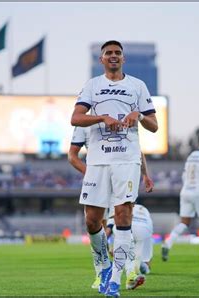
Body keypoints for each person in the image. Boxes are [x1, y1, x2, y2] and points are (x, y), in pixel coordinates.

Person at [70, 40, 158, 297]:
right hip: (98, 162)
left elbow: (154, 125)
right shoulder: (92, 86)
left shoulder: (137, 86)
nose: (113, 56)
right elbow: (75, 118)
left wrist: (139, 116)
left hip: (126, 160)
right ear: (101, 59)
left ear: (123, 58)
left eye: (117, 53)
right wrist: (102, 118)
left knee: (122, 215)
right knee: (92, 221)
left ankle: (115, 282)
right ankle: (103, 266)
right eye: (108, 53)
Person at [67, 125, 154, 290]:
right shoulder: (84, 123)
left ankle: (130, 274)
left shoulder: (121, 114)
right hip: (97, 183)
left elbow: (136, 150)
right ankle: (100, 273)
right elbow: (72, 156)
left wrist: (145, 174)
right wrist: (94, 176)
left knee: (123, 226)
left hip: (120, 181)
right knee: (96, 227)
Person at [162, 133, 199, 261]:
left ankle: (168, 243)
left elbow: (184, 175)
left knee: (184, 223)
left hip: (186, 191)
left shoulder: (191, 156)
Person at [106, 204, 154, 290]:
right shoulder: (142, 208)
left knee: (125, 249)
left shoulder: (117, 203)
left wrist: (107, 245)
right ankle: (139, 269)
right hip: (145, 229)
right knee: (139, 257)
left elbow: (109, 227)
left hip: (125, 229)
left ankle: (124, 280)